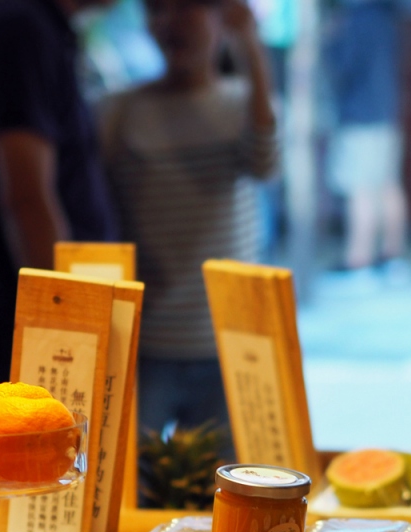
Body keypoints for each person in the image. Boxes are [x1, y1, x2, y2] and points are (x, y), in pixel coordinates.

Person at [98, 0, 278, 443]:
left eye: (188, 8)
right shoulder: (118, 111)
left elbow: (265, 162)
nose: (171, 21)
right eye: (159, 9)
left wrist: (249, 43)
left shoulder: (241, 104)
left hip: (228, 339)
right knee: (133, 475)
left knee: (225, 477)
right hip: (146, 339)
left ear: (220, 17)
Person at [0, 0, 119, 385]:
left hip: (18, 339)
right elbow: (26, 199)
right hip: (22, 351)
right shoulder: (20, 29)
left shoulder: (28, 24)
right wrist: (70, 339)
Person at [324, 0, 408, 275]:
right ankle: (392, 256)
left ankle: (358, 260)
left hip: (359, 115)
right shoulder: (387, 15)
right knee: (387, 185)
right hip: (386, 112)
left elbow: (345, 65)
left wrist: (330, 40)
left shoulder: (356, 19)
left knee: (360, 189)